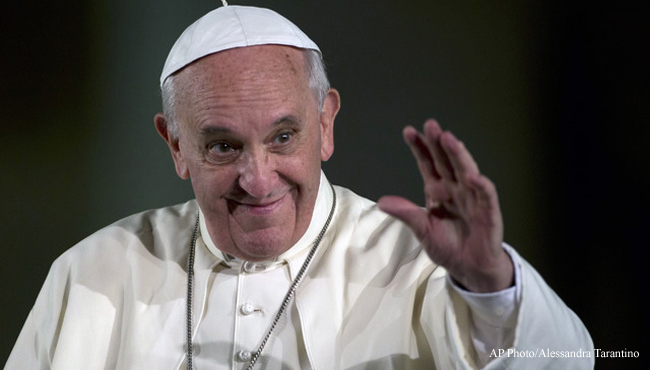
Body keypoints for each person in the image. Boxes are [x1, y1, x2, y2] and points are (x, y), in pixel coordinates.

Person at [6, 5, 593, 370]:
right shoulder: (91, 275)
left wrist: (491, 284)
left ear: (326, 123)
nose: (259, 180)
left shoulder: (419, 263)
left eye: (283, 137)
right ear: (175, 145)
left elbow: (568, 365)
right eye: (222, 146)